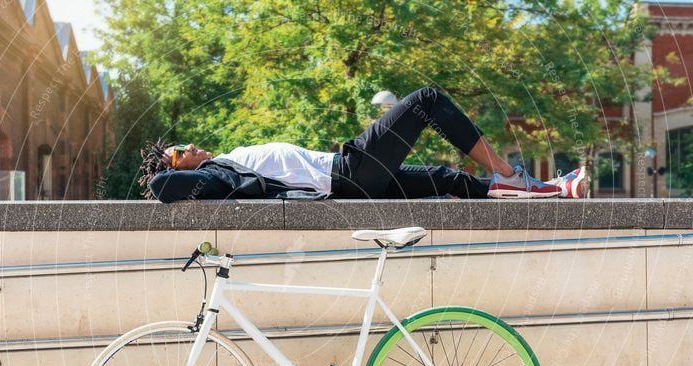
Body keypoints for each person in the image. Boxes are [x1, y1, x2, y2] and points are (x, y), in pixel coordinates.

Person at [139, 86, 588, 202]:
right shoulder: (215, 176)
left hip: (351, 180)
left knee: (445, 178)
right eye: (179, 150)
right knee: (426, 101)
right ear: (178, 165)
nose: (190, 146)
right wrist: (170, 170)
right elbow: (163, 190)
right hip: (347, 174)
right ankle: (511, 174)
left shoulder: (228, 161)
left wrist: (177, 164)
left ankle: (550, 190)